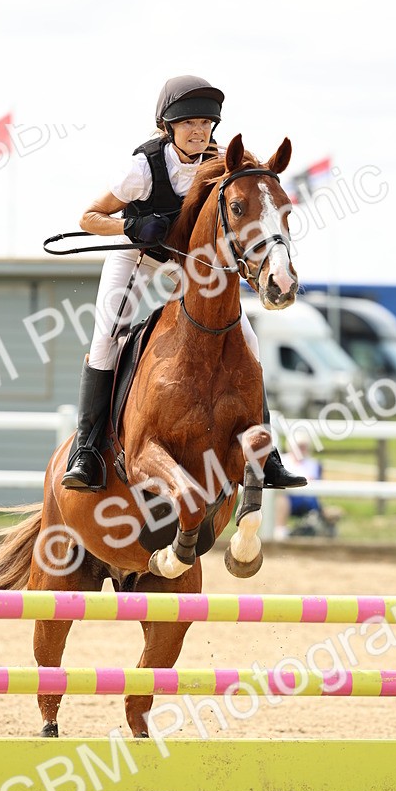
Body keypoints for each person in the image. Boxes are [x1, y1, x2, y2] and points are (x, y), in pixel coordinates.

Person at [61, 74, 307, 493]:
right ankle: (85, 450)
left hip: (185, 260)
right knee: (107, 337)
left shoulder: (220, 161)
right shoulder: (143, 167)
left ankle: (267, 455)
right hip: (138, 256)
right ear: (168, 126)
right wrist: (131, 225)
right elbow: (88, 217)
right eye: (189, 123)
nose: (199, 131)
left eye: (206, 123)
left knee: (248, 340)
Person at [272, 435, 342, 539]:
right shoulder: (282, 461)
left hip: (310, 500)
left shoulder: (314, 464)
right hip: (290, 498)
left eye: (304, 446)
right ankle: (280, 531)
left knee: (331, 512)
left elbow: (320, 486)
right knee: (281, 498)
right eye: (299, 446)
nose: (302, 449)